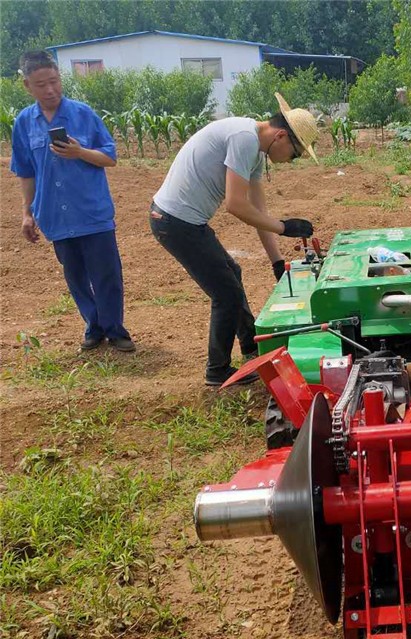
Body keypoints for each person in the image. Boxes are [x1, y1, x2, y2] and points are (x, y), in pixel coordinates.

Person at [149, 93, 319, 387]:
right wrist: (284, 227)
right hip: (175, 222)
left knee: (232, 275)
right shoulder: (245, 140)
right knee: (225, 294)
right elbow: (235, 205)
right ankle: (217, 369)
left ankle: (250, 344)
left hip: (186, 221)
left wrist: (277, 261)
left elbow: (257, 210)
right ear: (281, 136)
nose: (292, 161)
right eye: (295, 154)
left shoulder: (255, 147)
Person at [10, 50, 135, 352]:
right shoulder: (24, 123)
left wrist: (81, 152)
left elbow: (110, 157)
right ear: (28, 86)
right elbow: (26, 173)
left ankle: (115, 329)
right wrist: (27, 214)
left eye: (54, 81)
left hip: (92, 212)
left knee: (106, 274)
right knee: (76, 276)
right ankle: (93, 326)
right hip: (55, 215)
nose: (50, 89)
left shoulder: (83, 114)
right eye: (41, 84)